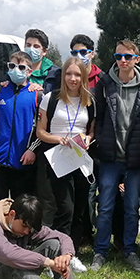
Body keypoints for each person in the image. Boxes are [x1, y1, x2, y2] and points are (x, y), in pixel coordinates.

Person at [91, 40, 140, 271]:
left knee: (132, 208)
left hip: (135, 161)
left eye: (128, 57)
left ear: (137, 59)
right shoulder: (104, 83)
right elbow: (97, 117)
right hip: (109, 158)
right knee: (106, 207)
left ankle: (130, 250)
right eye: (118, 56)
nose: (123, 61)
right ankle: (100, 252)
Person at [36, 57, 95, 251]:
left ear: (83, 77)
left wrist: (87, 138)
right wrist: (58, 139)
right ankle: (56, 249)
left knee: (79, 206)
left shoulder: (89, 101)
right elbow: (40, 132)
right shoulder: (50, 99)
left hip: (78, 158)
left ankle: (73, 250)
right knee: (63, 207)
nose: (73, 78)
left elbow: (91, 129)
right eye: (68, 73)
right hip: (55, 158)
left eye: (77, 74)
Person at [0, 51, 39, 204]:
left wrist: (32, 150)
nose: (16, 70)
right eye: (12, 66)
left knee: (21, 213)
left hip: (24, 164)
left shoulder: (36, 95)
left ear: (29, 72)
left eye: (21, 67)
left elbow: (41, 128)